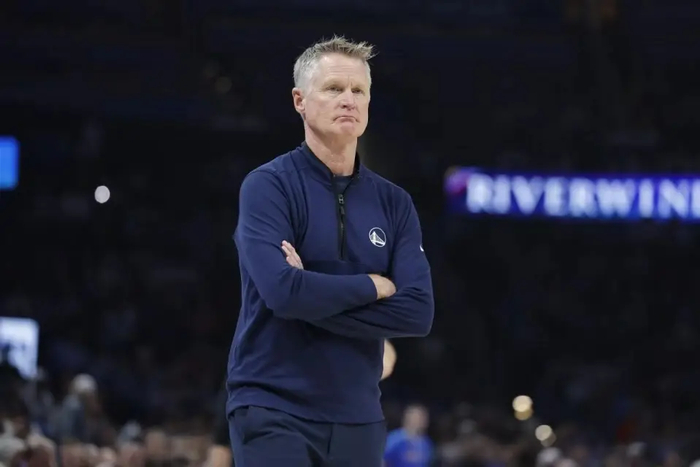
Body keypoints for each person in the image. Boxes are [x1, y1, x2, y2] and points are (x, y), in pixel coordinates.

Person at [227, 35, 434, 467]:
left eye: (359, 90)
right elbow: (282, 293)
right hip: (272, 404)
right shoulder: (268, 186)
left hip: (360, 415)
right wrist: (373, 285)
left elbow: (417, 313)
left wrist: (309, 292)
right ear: (299, 101)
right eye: (334, 88)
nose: (348, 100)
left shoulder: (395, 203)